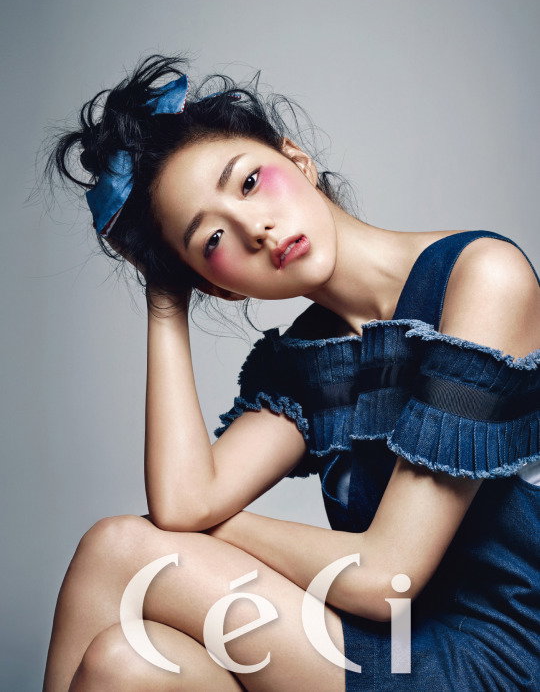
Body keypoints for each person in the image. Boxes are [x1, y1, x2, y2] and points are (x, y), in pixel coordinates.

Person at [42, 54, 540, 691]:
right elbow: (184, 501)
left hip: (501, 659)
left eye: (249, 182)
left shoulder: (483, 278)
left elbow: (387, 578)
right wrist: (163, 291)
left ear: (297, 160)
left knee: (117, 550)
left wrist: (216, 533)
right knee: (123, 664)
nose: (254, 229)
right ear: (217, 288)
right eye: (211, 241)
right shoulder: (312, 359)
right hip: (389, 649)